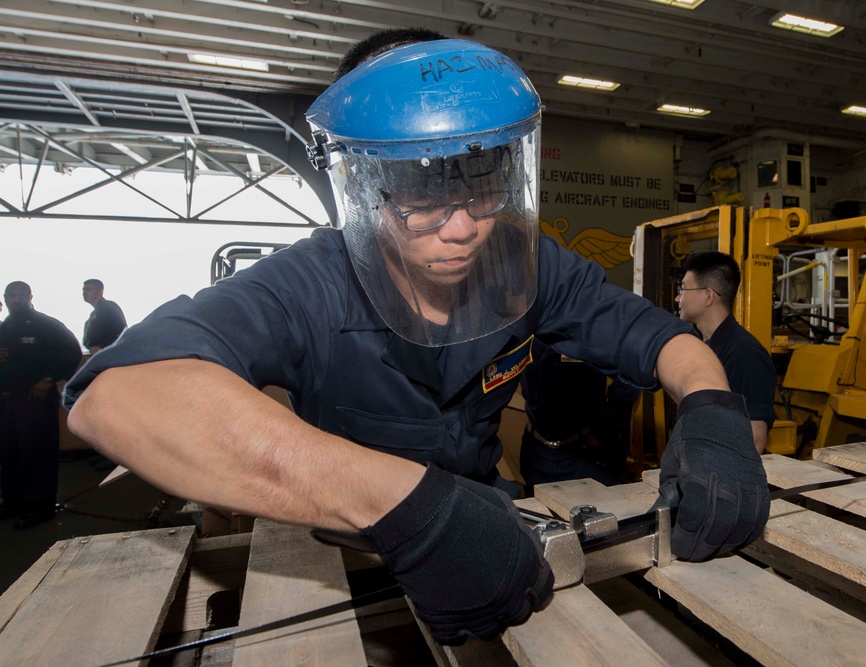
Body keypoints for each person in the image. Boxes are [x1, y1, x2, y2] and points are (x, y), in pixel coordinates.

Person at [64, 30, 769, 644]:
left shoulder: (521, 264)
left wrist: (710, 407)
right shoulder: (311, 281)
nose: (461, 227)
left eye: (482, 182)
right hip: (354, 544)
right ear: (363, 183)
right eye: (421, 190)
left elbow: (649, 333)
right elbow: (118, 395)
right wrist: (401, 506)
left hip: (490, 521)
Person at [675, 251, 777, 454]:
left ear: (708, 296)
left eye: (684, 289)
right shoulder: (702, 346)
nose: (678, 298)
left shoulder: (745, 354)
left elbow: (755, 440)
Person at [0, 281, 82, 529]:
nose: (16, 300)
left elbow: (72, 351)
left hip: (35, 402)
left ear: (30, 297)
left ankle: (40, 508)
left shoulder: (46, 325)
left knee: (37, 455)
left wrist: (50, 378)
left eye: (20, 296)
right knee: (10, 455)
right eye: (11, 296)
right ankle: (13, 502)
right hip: (8, 403)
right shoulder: (4, 327)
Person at [519, 340, 639, 495]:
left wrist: (604, 431)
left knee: (598, 514)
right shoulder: (524, 325)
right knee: (538, 516)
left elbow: (628, 375)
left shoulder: (589, 324)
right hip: (536, 452)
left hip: (586, 454)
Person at [82, 278, 127, 354]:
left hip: (114, 353)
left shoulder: (107, 307)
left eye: (88, 289)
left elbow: (92, 336)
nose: (84, 293)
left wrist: (100, 346)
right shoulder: (94, 314)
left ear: (100, 291)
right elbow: (86, 340)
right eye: (83, 290)